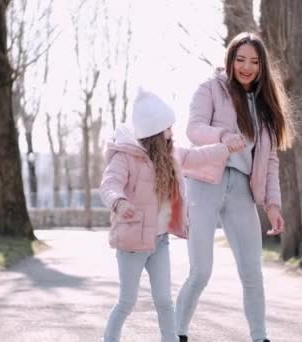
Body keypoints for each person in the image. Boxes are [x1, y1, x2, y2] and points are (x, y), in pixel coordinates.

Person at [175, 32, 295, 342]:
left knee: (252, 273)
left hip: (242, 189)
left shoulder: (266, 106)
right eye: (240, 59)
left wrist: (272, 204)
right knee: (200, 272)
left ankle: (259, 337)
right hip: (204, 183)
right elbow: (194, 128)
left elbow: (269, 161)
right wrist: (222, 137)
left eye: (254, 62)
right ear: (230, 59)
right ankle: (176, 333)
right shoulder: (210, 89)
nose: (246, 67)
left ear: (261, 66)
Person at [99, 88, 233, 342]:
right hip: (131, 243)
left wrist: (226, 148)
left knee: (164, 300)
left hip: (159, 242)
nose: (172, 133)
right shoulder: (125, 157)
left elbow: (198, 157)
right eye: (167, 128)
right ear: (153, 132)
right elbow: (109, 184)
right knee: (127, 301)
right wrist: (118, 202)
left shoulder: (171, 156)